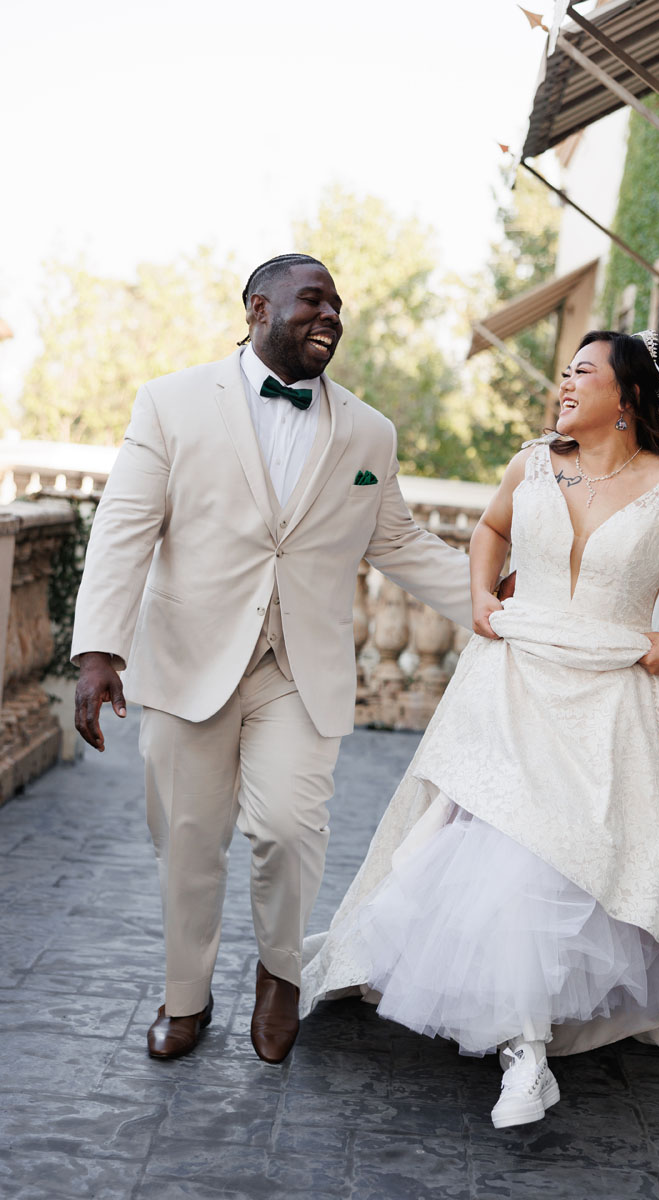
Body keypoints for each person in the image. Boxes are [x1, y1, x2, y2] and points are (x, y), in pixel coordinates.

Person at [301, 329, 659, 1128]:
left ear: (628, 398)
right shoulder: (534, 462)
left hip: (612, 693)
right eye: (565, 373)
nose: (565, 385)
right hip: (514, 678)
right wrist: (479, 598)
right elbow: (489, 531)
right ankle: (524, 1054)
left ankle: (532, 1039)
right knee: (504, 849)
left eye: (582, 374)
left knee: (568, 862)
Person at [71, 253, 472, 1064]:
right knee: (187, 839)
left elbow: (397, 540)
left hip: (300, 669)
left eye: (338, 305)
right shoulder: (172, 402)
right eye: (312, 301)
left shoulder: (369, 430)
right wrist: (97, 651)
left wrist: (499, 605)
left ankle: (279, 976)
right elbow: (123, 529)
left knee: (289, 829)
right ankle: (184, 1000)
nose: (332, 316)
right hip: (190, 662)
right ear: (257, 307)